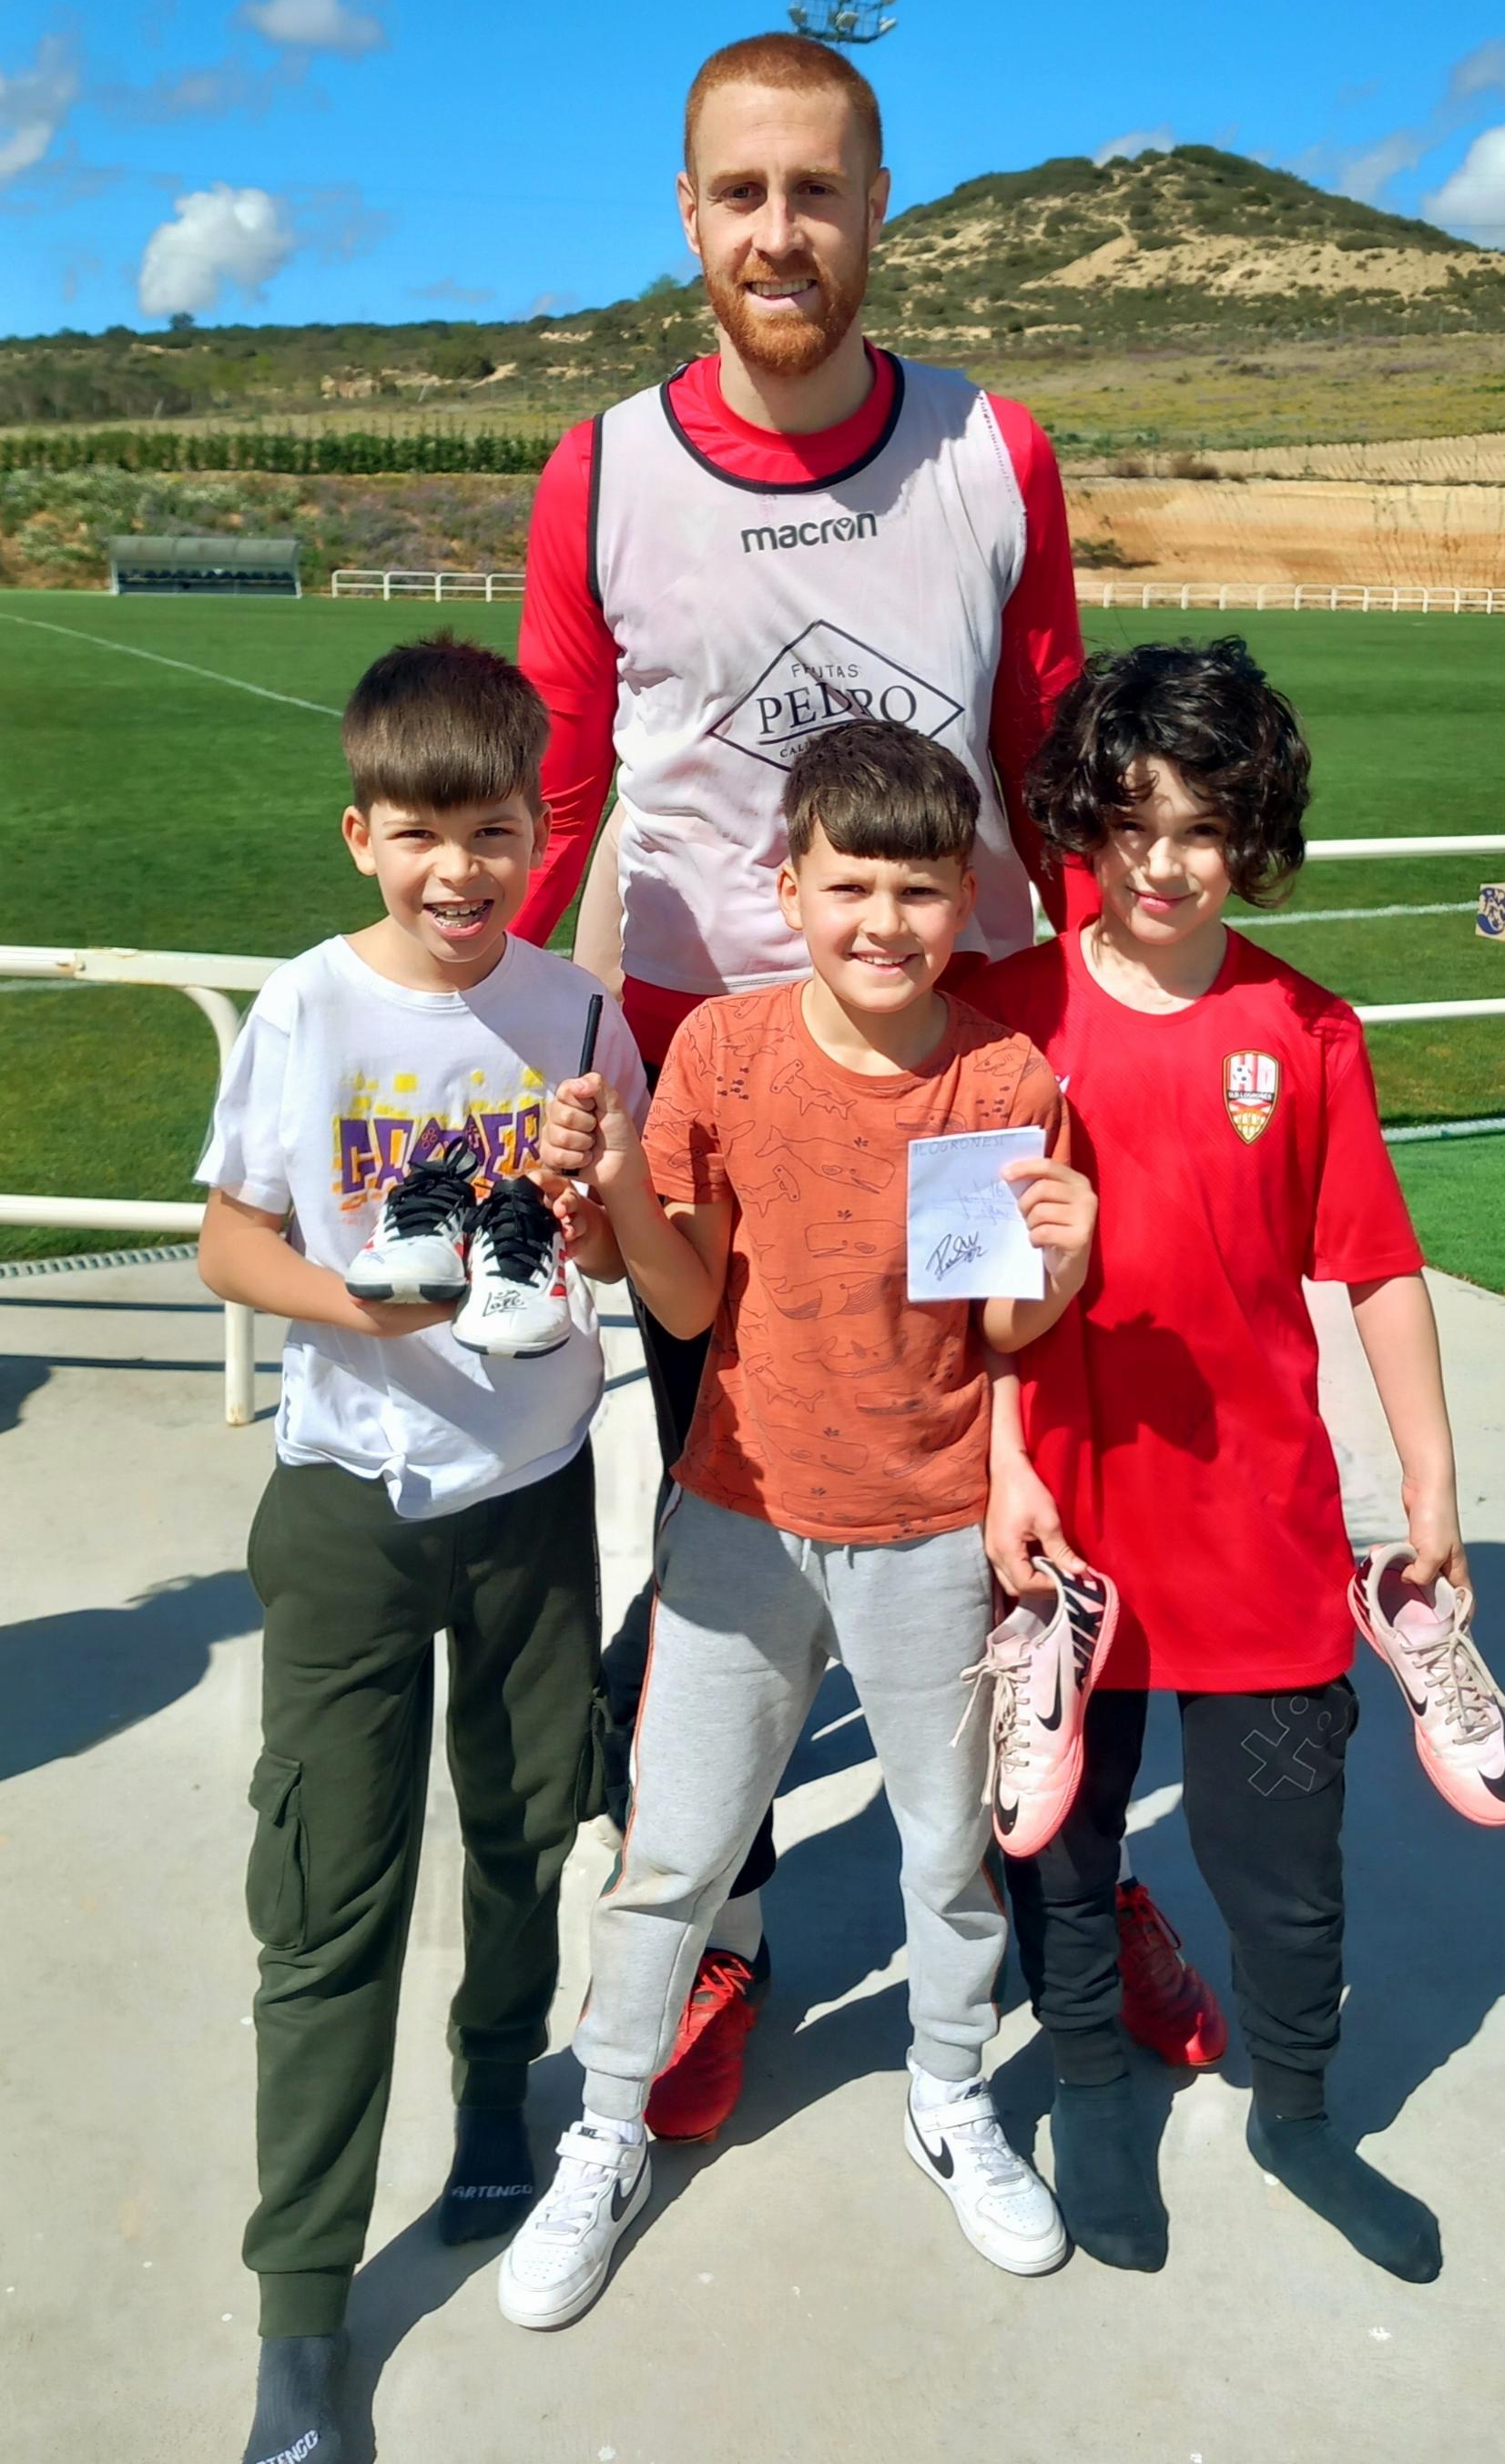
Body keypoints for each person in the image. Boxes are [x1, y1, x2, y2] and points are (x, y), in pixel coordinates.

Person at [514, 27, 1219, 2129]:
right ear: (686, 215)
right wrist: (498, 1070)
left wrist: (1127, 1051)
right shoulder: (602, 471)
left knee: (1024, 1508)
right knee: (731, 1524)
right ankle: (725, 1931)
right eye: (740, 193)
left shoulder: (992, 450)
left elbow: (1053, 767)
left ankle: (1074, 1890)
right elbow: (558, 801)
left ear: (878, 206)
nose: (779, 233)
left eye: (815, 191)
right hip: (715, 1108)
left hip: (967, 1077)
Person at [498, 719, 1096, 2329]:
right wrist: (620, 1190)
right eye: (849, 886)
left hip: (928, 1527)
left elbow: (999, 1329)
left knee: (947, 1854)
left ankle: (949, 2089)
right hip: (740, 1518)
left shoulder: (998, 1077)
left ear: (961, 896)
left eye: (919, 889)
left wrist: (1064, 1260)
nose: (883, 922)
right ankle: (607, 2125)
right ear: (788, 888)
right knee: (673, 1855)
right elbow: (685, 1299)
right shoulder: (724, 1053)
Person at [967, 636, 1466, 2284]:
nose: (1162, 864)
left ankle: (1300, 2115)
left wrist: (1430, 1485)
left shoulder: (1304, 1029)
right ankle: (1092, 2091)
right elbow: (961, 1291)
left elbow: (1375, 1268)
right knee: (1064, 1848)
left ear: (1252, 834)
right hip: (1066, 1521)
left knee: (1284, 1865)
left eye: (1199, 828)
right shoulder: (1005, 1019)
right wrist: (1002, 1466)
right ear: (1080, 826)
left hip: (1258, 1522)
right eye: (1129, 824)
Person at [197, 634, 644, 2464]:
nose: (458, 871)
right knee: (328, 1897)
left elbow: (614, 1254)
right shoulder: (309, 1007)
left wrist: (593, 1203)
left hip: (531, 1495)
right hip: (350, 1508)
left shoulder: (580, 1014)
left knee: (527, 1830)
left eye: (492, 833)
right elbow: (230, 1239)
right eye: (419, 834)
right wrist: (359, 1309)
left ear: (538, 831)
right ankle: (302, 2311)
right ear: (360, 834)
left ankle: (491, 2097)